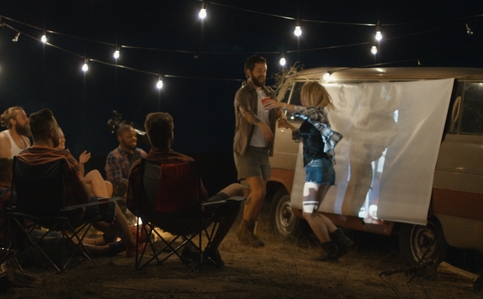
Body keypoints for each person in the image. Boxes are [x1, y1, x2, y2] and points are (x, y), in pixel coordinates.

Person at [127, 112, 244, 267]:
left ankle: (188, 247)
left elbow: (131, 203)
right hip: (192, 221)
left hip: (155, 218)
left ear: (148, 137)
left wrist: (150, 212)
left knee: (179, 200)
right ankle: (211, 251)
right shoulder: (187, 163)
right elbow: (202, 200)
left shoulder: (139, 167)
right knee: (238, 189)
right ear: (171, 136)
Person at [17, 108, 137, 257]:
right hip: (66, 216)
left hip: (36, 216)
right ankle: (131, 243)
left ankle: (120, 236)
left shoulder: (20, 159)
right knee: (110, 205)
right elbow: (87, 198)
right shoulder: (64, 159)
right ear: (51, 132)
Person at [264, 81, 354, 261]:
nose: (302, 98)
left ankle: (329, 249)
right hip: (325, 168)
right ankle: (341, 240)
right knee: (314, 211)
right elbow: (303, 137)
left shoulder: (317, 112)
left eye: (304, 95)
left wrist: (281, 104)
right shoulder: (315, 118)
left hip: (317, 168)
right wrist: (288, 126)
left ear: (311, 96)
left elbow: (302, 111)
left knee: (308, 213)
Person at [233, 55, 283, 248]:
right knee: (259, 190)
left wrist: (283, 117)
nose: (263, 74)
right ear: (249, 72)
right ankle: (243, 231)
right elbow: (245, 112)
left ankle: (248, 231)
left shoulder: (269, 92)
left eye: (265, 70)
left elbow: (276, 111)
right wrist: (260, 123)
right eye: (259, 71)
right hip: (246, 149)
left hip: (263, 150)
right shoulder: (242, 93)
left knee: (256, 195)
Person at [57, 127, 113, 198]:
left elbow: (80, 175)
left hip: (76, 184)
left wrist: (81, 163)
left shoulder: (66, 154)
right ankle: (106, 207)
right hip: (69, 187)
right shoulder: (57, 156)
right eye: (60, 138)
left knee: (108, 185)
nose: (63, 140)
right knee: (94, 174)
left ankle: (103, 207)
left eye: (64, 137)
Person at [105, 124, 147, 208]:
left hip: (143, 197)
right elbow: (115, 180)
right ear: (120, 138)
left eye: (135, 135)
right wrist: (134, 183)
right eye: (129, 136)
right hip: (124, 201)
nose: (134, 138)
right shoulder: (114, 156)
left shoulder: (141, 153)